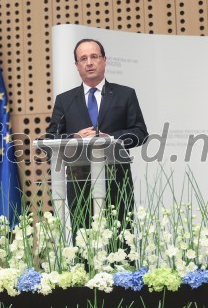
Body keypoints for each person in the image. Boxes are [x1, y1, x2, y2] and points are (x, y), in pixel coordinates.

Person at [46, 38, 148, 230]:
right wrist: (74, 138)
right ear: (77, 65)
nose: (89, 62)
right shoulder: (64, 100)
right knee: (83, 244)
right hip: (79, 182)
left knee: (121, 243)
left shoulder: (125, 94)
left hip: (117, 180)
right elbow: (50, 139)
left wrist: (110, 139)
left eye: (94, 56)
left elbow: (140, 132)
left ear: (104, 60)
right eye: (83, 59)